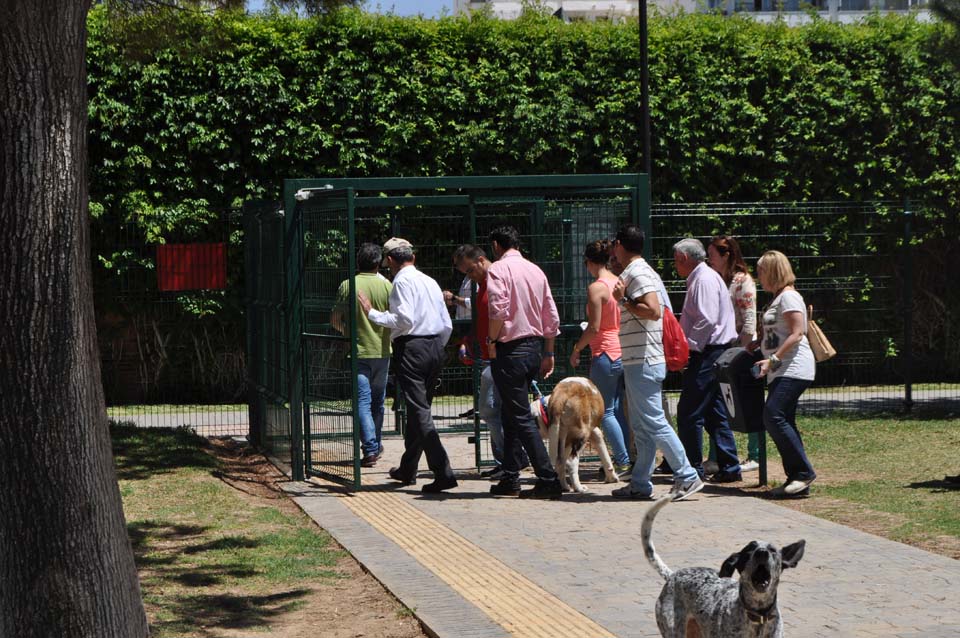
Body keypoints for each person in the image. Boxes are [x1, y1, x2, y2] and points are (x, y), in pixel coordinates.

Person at [609, 224, 702, 501]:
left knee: (654, 421)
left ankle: (687, 475)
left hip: (644, 360)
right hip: (638, 359)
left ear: (620, 245)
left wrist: (623, 299)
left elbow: (652, 310)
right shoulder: (637, 271)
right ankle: (640, 483)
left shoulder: (638, 272)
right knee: (642, 426)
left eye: (615, 245)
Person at [358, 237, 458, 494]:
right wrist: (436, 346)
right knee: (418, 410)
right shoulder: (430, 281)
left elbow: (404, 320)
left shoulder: (401, 282)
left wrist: (372, 313)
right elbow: (446, 323)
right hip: (435, 347)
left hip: (413, 348)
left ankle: (443, 472)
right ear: (412, 257)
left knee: (420, 412)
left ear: (390, 260)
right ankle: (408, 468)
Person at [485, 225, 563, 500]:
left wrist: (492, 340)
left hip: (510, 349)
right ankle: (510, 476)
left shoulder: (498, 269)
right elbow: (551, 315)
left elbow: (498, 309)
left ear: (496, 245)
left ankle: (548, 478)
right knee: (511, 413)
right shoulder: (535, 270)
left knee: (519, 416)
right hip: (533, 348)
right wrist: (549, 352)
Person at [452, 244, 528, 480]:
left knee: (490, 409)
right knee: (493, 410)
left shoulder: (496, 280)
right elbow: (481, 319)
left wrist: (494, 343)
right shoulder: (483, 285)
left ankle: (513, 459)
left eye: (470, 270)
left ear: (480, 260)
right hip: (488, 355)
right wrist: (467, 341)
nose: (470, 276)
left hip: (500, 355)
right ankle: (507, 460)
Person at [673, 237, 741, 483]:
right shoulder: (704, 277)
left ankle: (693, 470)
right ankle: (730, 467)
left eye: (676, 260)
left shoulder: (703, 279)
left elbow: (706, 319)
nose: (674, 265)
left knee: (688, 412)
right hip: (713, 351)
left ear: (684, 258)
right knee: (714, 411)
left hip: (707, 352)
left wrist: (689, 347)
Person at [755, 250, 817, 498]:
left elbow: (797, 333)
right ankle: (797, 479)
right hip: (780, 369)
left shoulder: (789, 297)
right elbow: (777, 333)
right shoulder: (778, 298)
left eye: (761, 271)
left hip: (794, 367)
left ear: (772, 271)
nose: (758, 277)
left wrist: (773, 359)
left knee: (773, 415)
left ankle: (803, 472)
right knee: (782, 419)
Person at [568, 239, 632, 476]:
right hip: (622, 350)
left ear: (589, 262)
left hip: (605, 353)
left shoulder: (597, 288)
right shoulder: (619, 281)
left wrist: (577, 348)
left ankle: (622, 462)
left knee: (604, 412)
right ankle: (626, 458)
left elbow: (594, 327)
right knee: (616, 409)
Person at [331, 243, 392, 468]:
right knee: (378, 402)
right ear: (379, 263)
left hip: (357, 351)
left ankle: (370, 449)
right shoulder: (387, 286)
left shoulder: (348, 285)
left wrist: (346, 332)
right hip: (382, 351)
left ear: (358, 262)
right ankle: (376, 445)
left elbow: (335, 319)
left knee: (362, 402)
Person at [707, 235, 761, 473]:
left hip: (740, 351)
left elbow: (749, 319)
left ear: (726, 255)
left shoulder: (742, 281)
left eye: (712, 255)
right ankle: (716, 456)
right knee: (718, 402)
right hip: (724, 349)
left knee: (749, 400)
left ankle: (755, 455)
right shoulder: (717, 279)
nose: (709, 259)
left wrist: (743, 351)